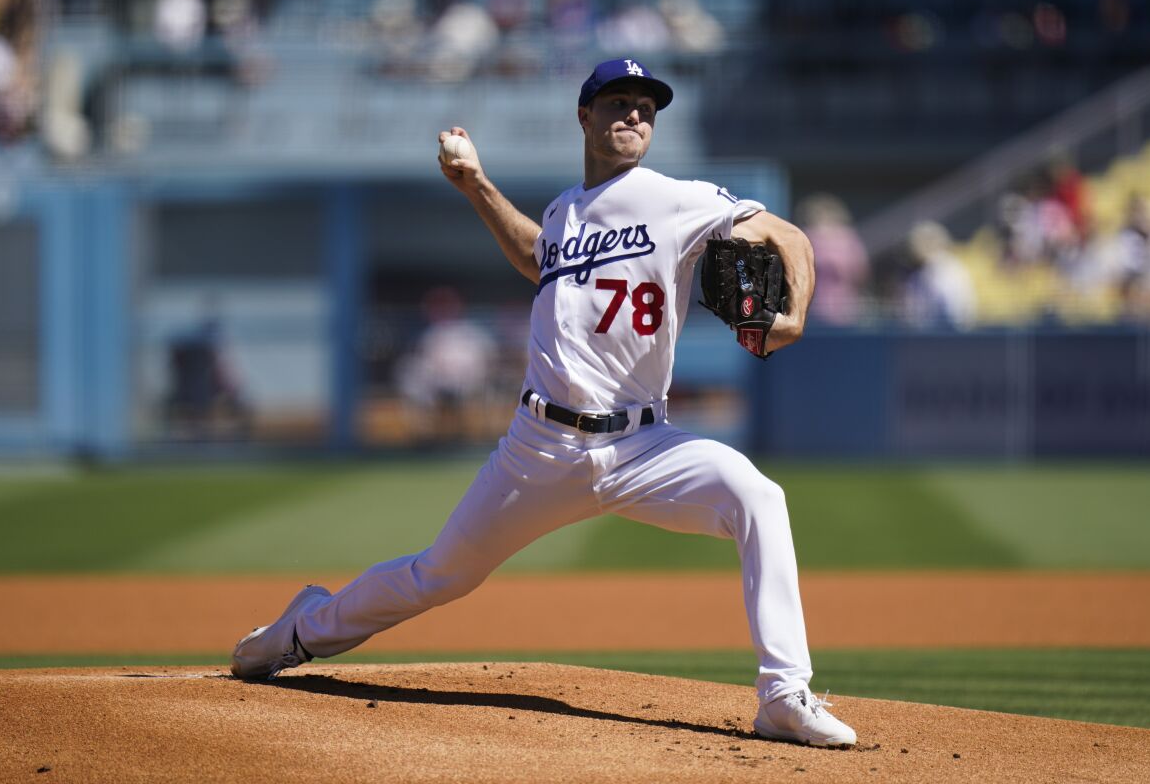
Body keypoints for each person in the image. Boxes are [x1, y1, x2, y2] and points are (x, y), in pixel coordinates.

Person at [230, 58, 856, 748]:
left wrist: (793, 313)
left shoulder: (673, 198)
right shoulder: (565, 210)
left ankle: (782, 694)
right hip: (538, 449)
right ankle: (296, 631)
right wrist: (475, 185)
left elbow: (788, 236)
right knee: (439, 574)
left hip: (642, 446)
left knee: (757, 496)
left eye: (646, 108)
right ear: (583, 117)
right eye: (617, 103)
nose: (634, 116)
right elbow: (540, 256)